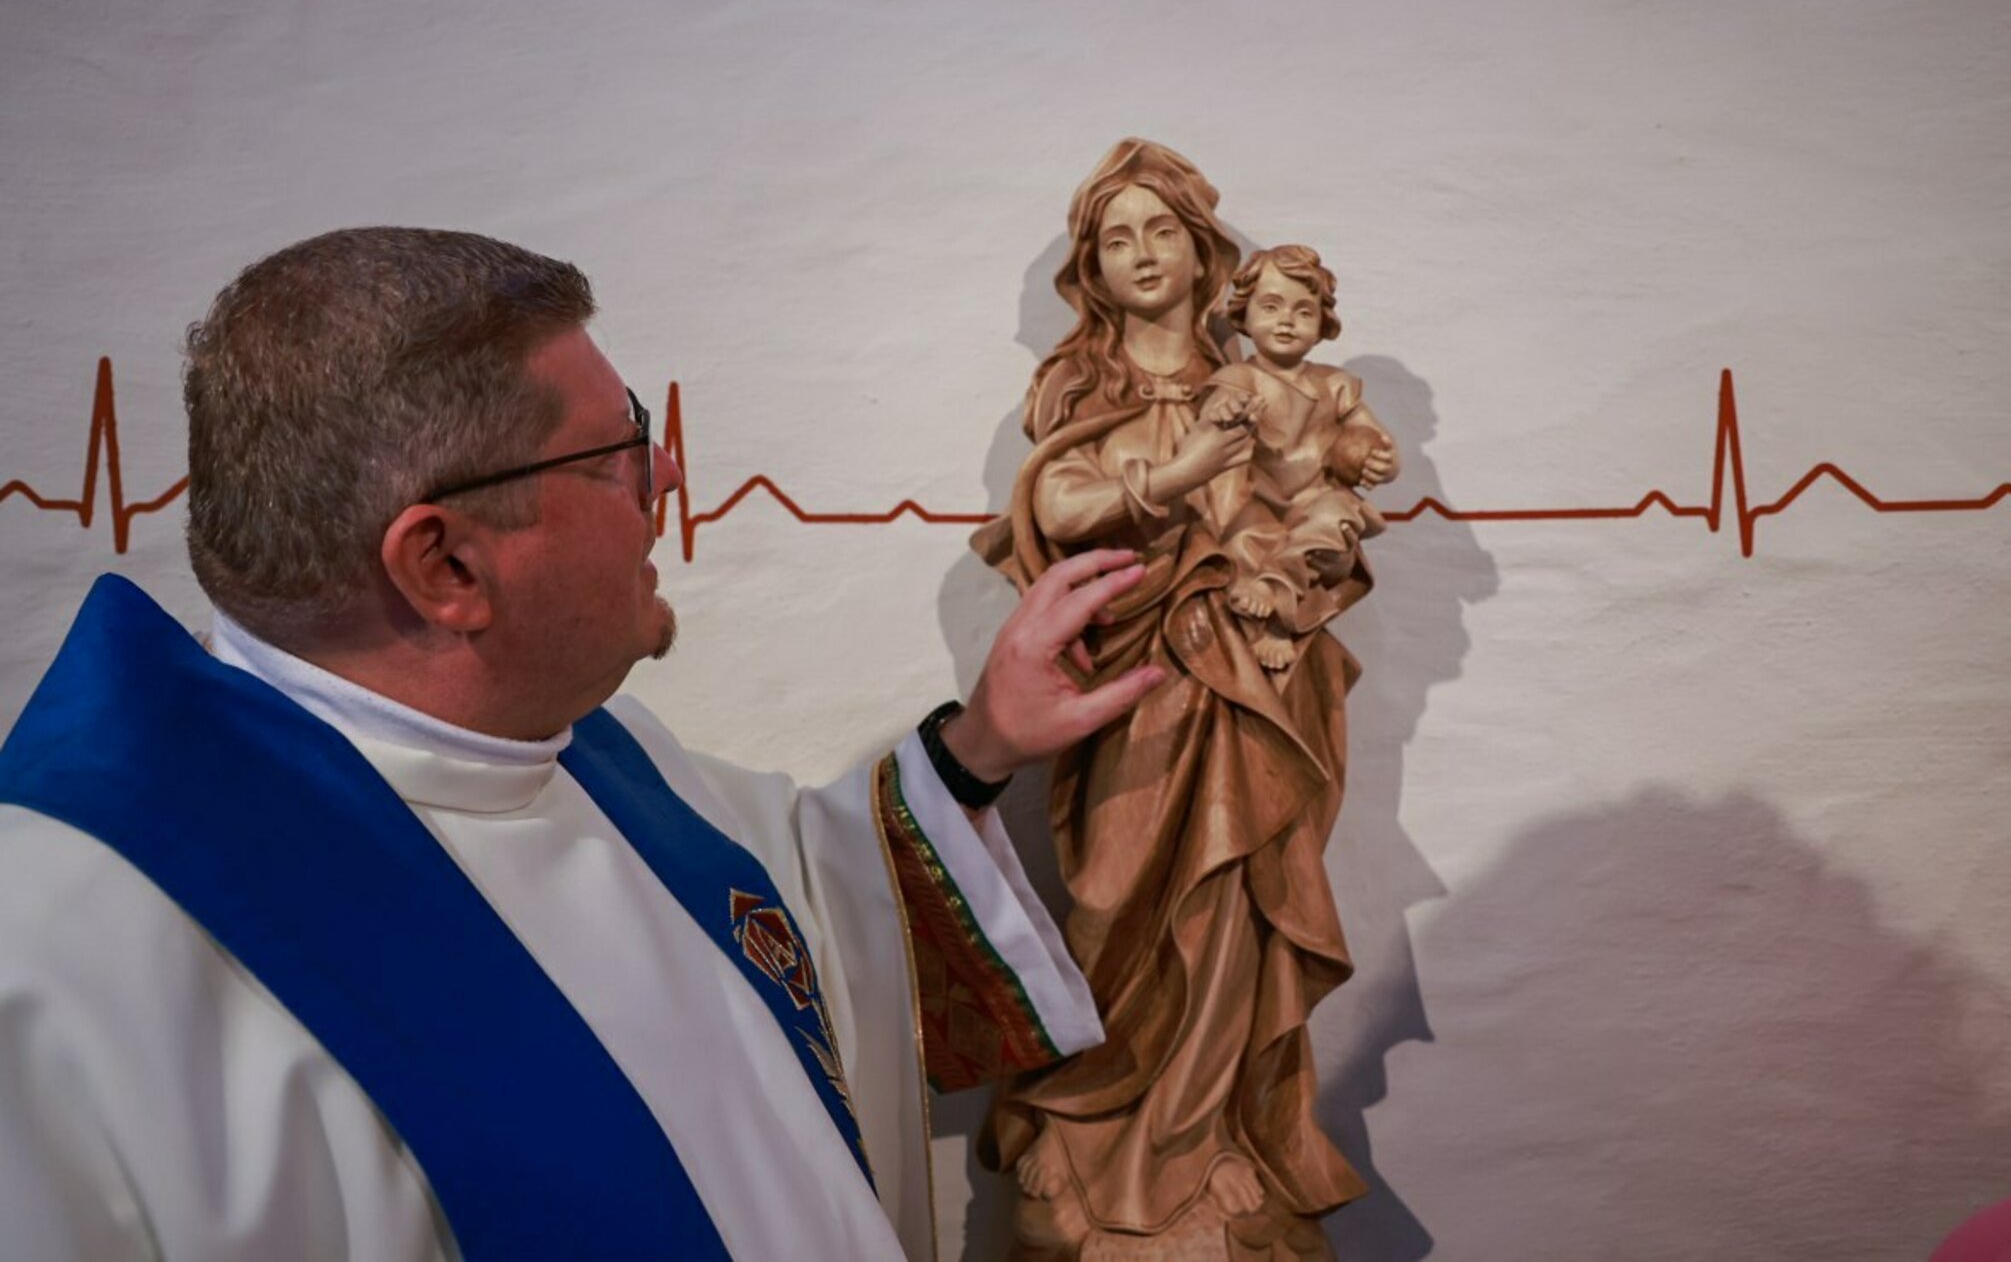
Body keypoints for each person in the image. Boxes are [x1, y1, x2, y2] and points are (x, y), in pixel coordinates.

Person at [0, 227, 1162, 1262]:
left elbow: (790, 902)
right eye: (615, 450)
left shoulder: (576, 747)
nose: (662, 475)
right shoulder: (67, 971)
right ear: (446, 566)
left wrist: (979, 744)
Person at [973, 141, 1369, 1259]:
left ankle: (1210, 1140)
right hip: (1128, 682)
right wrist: (1184, 477)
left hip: (1251, 674)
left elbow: (1317, 500)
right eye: (1114, 239)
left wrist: (1320, 543)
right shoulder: (1077, 386)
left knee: (1233, 908)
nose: (1140, 254)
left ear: (1201, 255)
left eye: (1160, 232)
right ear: (1090, 272)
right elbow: (1055, 497)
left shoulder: (1264, 383)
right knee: (1109, 900)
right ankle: (1075, 1113)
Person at [1200, 244, 1400, 672]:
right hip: (1259, 503)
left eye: (1304, 311)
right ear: (1244, 315)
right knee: (1235, 533)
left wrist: (1384, 463)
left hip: (1315, 506)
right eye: (1271, 306)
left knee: (1336, 519)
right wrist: (1222, 409)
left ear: (1323, 324)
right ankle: (1272, 623)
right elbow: (1218, 406)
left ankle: (1275, 593)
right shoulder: (1241, 377)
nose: (1287, 321)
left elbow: (1378, 440)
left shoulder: (1337, 386)